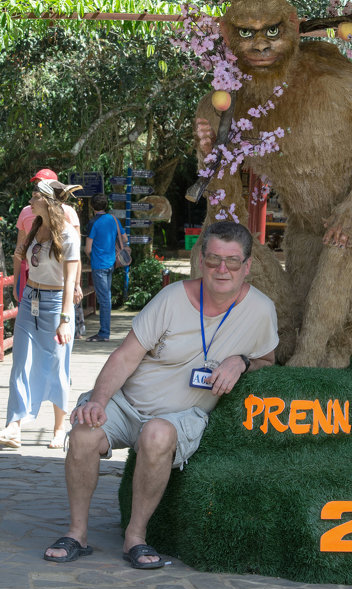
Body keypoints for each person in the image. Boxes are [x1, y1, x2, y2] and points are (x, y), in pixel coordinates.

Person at [44, 221, 278, 569]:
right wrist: (98, 400)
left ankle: (135, 537)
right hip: (128, 403)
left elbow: (267, 362)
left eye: (231, 261)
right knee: (82, 433)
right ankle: (77, 532)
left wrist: (241, 361)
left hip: (180, 416)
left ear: (247, 266)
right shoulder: (172, 298)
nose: (222, 269)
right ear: (201, 260)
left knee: (157, 433)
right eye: (213, 260)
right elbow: (125, 355)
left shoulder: (260, 311)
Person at [0, 180, 80, 450]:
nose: (30, 201)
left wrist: (66, 318)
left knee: (58, 365)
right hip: (29, 302)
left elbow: (69, 281)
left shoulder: (68, 234)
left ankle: (59, 428)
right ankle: (14, 425)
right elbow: (22, 261)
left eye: (35, 196)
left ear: (48, 201)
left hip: (56, 303)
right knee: (20, 362)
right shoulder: (34, 228)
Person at [13, 168, 82, 306]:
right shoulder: (26, 211)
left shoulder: (68, 212)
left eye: (42, 183)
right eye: (36, 182)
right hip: (31, 279)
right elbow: (19, 252)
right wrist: (17, 283)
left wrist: (77, 283)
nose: (38, 186)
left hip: (58, 286)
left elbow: (75, 254)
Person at [85, 193, 128, 342]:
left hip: (99, 265)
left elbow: (88, 249)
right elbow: (125, 238)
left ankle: (104, 333)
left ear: (92, 207)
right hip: (111, 263)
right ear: (105, 205)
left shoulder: (93, 223)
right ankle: (104, 331)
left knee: (104, 299)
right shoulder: (113, 219)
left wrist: (93, 257)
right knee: (106, 298)